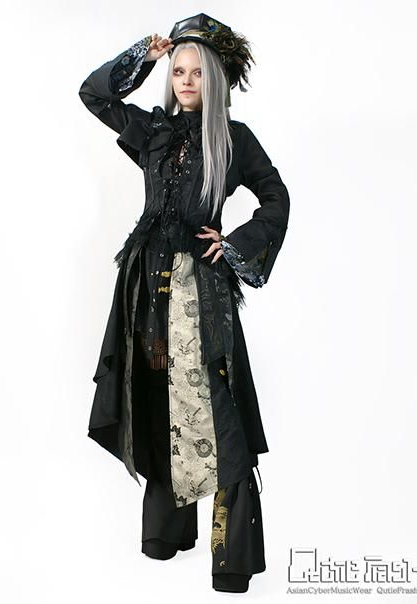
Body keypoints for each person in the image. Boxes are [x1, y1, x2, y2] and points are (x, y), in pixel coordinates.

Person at [78, 12, 291, 593]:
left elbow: (275, 196)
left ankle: (233, 558)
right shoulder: (154, 131)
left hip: (201, 291)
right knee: (157, 397)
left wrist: (236, 243)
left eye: (197, 72)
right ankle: (165, 535)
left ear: (214, 79)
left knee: (218, 410)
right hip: (146, 288)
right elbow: (94, 94)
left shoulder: (233, 138)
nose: (186, 81)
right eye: (178, 71)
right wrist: (143, 57)